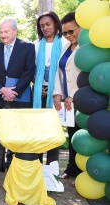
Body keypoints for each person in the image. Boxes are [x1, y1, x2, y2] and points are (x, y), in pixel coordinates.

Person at [0, 17, 35, 170]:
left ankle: (13, 163)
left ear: (15, 30)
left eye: (6, 31)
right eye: (1, 32)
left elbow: (29, 71)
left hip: (20, 99)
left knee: (17, 132)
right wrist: (2, 90)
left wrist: (14, 91)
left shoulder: (27, 47)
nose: (3, 35)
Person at [33, 11, 68, 164]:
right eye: (42, 26)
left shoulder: (65, 43)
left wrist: (53, 90)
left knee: (54, 128)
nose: (45, 28)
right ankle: (38, 163)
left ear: (55, 24)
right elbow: (32, 69)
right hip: (39, 92)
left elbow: (64, 69)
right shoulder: (36, 44)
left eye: (48, 24)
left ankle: (52, 165)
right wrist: (39, 85)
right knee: (39, 128)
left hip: (58, 93)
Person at [53, 12, 82, 181]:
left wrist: (72, 95)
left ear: (81, 28)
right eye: (65, 33)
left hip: (83, 100)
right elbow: (59, 72)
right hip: (67, 102)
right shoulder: (66, 47)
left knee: (82, 135)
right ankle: (72, 169)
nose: (68, 35)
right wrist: (58, 94)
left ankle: (82, 169)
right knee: (72, 135)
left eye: (72, 31)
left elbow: (85, 76)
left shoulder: (86, 48)